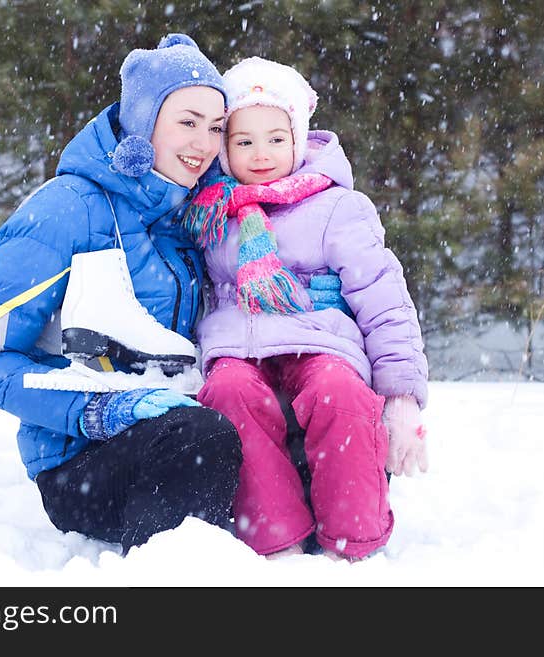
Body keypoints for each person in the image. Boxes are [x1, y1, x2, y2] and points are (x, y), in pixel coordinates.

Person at [0, 34, 245, 555]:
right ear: (142, 120)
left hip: (178, 425)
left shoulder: (193, 218)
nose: (203, 144)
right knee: (201, 440)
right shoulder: (65, 210)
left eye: (216, 128)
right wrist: (96, 410)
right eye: (186, 122)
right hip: (80, 461)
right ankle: (170, 574)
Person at [184, 57, 430, 561]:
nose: (260, 154)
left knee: (339, 393)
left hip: (321, 344)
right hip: (238, 348)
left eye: (275, 138)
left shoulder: (337, 206)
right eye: (243, 140)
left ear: (298, 137)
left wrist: (401, 396)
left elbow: (383, 299)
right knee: (228, 394)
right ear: (225, 147)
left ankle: (352, 540)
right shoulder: (209, 213)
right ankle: (275, 541)